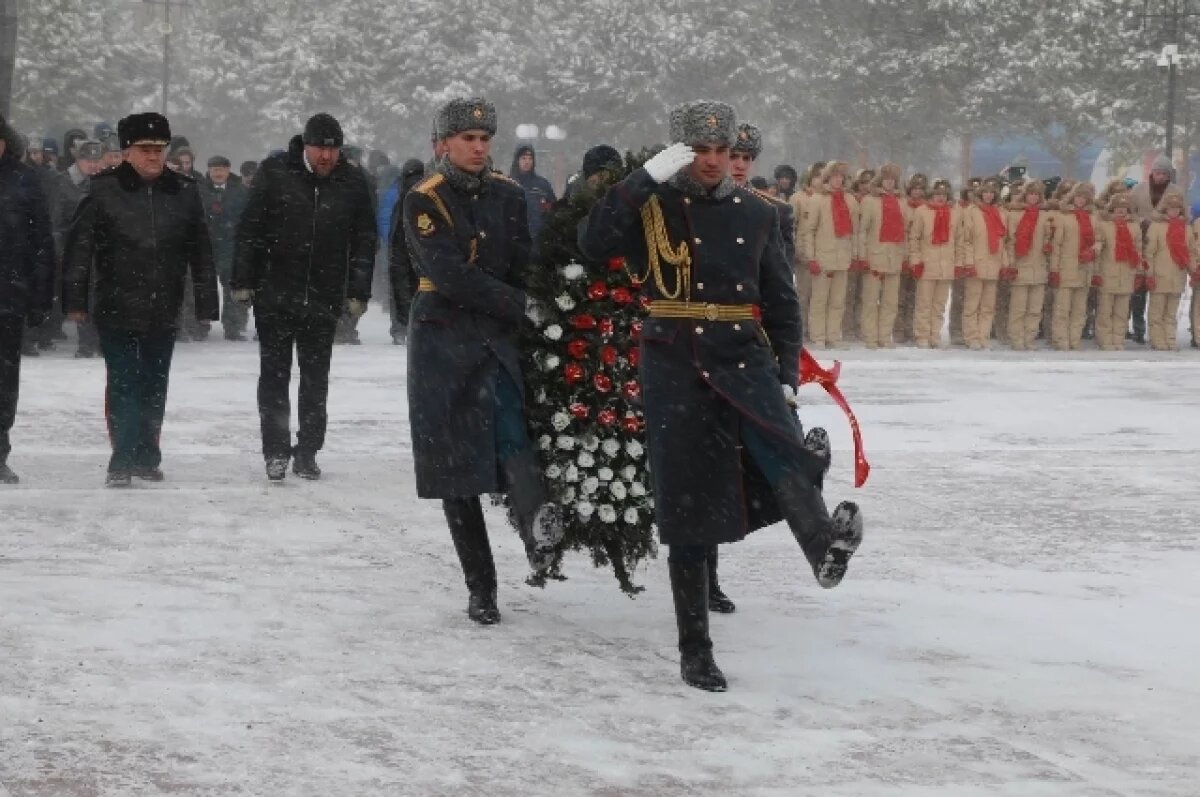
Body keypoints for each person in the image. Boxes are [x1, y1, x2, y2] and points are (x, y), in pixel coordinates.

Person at [580, 100, 863, 692]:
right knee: (688, 507)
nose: (714, 162)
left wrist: (787, 373)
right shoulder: (652, 204)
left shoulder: (758, 214)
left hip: (743, 353)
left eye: (722, 151)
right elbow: (592, 239)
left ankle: (823, 549)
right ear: (680, 152)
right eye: (701, 151)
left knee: (785, 453)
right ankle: (695, 648)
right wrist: (643, 178)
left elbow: (782, 303)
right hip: (674, 359)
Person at [403, 97, 564, 626]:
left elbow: (522, 260)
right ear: (442, 145)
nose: (478, 147)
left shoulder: (508, 195)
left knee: (511, 431)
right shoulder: (424, 199)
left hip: (494, 338)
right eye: (467, 139)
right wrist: (523, 304)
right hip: (442, 339)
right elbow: (450, 275)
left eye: (484, 139)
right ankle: (482, 588)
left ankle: (536, 527)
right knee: (457, 473)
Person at [63, 112, 218, 487]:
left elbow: (200, 250)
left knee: (154, 380)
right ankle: (123, 456)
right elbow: (80, 248)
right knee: (123, 380)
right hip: (116, 302)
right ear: (128, 151)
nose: (153, 156)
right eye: (145, 149)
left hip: (164, 304)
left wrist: (206, 303)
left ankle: (148, 454)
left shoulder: (182, 190)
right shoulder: (103, 189)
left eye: (159, 149)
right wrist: (75, 299)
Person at [232, 113, 375, 481]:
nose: (327, 157)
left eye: (333, 149)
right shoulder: (276, 172)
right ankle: (276, 449)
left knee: (315, 378)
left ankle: (308, 450)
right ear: (305, 145)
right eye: (320, 148)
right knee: (275, 376)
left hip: (323, 295)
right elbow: (251, 228)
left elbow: (364, 240)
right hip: (275, 292)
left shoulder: (353, 181)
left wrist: (358, 290)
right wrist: (243, 279)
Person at [0, 115, 56, 484]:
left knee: (4, 378)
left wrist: (40, 295)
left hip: (9, 294)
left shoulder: (24, 180)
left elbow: (41, 244)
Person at [49, 139, 105, 357]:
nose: (92, 165)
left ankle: (99, 341)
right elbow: (56, 221)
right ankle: (86, 342)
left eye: (96, 160)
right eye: (87, 160)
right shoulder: (63, 183)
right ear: (78, 160)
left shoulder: (105, 183)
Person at [802, 161, 859, 348]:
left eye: (840, 177)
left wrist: (854, 255)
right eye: (834, 176)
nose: (838, 180)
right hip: (822, 258)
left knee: (837, 301)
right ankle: (818, 336)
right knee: (819, 300)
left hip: (842, 258)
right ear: (827, 178)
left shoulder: (849, 200)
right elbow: (808, 230)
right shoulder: (817, 199)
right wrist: (811, 257)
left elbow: (855, 231)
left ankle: (833, 336)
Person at [907, 179, 964, 348]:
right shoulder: (922, 212)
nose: (940, 198)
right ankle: (922, 335)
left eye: (944, 195)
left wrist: (959, 263)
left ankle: (935, 334)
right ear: (932, 195)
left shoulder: (954, 213)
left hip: (947, 265)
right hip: (927, 263)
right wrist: (915, 260)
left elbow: (959, 240)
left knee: (939, 304)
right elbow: (914, 238)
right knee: (924, 303)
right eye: (937, 194)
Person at [856, 163, 908, 348]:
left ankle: (885, 336)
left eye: (893, 180)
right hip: (875, 256)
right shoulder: (870, 201)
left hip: (894, 256)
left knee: (890, 302)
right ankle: (870, 336)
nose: (889, 183)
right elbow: (862, 231)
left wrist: (905, 255)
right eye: (886, 179)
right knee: (870, 300)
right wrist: (862, 255)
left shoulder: (902, 201)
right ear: (880, 180)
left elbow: (905, 230)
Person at [1129, 155, 1177, 344]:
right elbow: (1129, 210)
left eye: (1164, 173)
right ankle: (1139, 330)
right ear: (1152, 172)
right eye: (1158, 172)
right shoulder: (1138, 189)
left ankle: (1160, 332)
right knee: (1139, 289)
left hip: (1165, 245)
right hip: (1140, 241)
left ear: (1169, 175)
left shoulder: (1175, 191)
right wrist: (1141, 221)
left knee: (1160, 289)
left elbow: (1181, 214)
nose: (1160, 176)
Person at [201, 155, 250, 340]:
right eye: (214, 170)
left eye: (221, 169)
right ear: (209, 171)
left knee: (232, 288)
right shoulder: (200, 190)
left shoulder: (240, 191)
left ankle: (232, 327)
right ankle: (201, 325)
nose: (218, 173)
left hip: (231, 247)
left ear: (229, 170)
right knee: (204, 286)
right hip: (207, 247)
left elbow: (245, 218)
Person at [1003, 180, 1052, 350]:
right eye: (1030, 194)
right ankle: (1016, 338)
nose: (1033, 197)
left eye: (1036, 195)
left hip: (1038, 267)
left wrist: (1048, 244)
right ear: (1025, 195)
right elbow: (1010, 241)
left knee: (1035, 309)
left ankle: (1029, 337)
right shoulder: (1015, 215)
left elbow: (1049, 237)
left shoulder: (1045, 216)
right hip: (1020, 265)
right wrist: (1010, 263)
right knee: (1018, 308)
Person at [959, 178, 1008, 350]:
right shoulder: (972, 212)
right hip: (977, 263)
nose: (988, 195)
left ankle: (983, 335)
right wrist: (968, 262)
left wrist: (1004, 264)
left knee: (988, 305)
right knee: (972, 303)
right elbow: (967, 240)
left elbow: (1004, 241)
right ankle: (971, 336)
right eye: (985, 192)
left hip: (993, 263)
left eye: (991, 192)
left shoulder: (1000, 213)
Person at [1048, 182, 1098, 351]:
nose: (1081, 200)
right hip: (1066, 268)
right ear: (1072, 198)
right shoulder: (1064, 218)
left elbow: (1099, 241)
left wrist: (1093, 251)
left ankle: (1074, 340)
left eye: (1084, 198)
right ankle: (1061, 340)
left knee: (1079, 310)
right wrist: (1054, 269)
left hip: (1085, 270)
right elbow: (1057, 246)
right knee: (1062, 309)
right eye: (1078, 197)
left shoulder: (1093, 218)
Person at [1093, 193, 1143, 351]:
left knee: (1122, 311)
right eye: (1118, 208)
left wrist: (1140, 271)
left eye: (1124, 208)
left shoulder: (1134, 227)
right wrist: (1095, 266)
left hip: (1127, 272)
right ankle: (1105, 339)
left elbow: (1138, 250)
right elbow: (1099, 244)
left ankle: (1118, 339)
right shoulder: (1105, 225)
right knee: (1105, 310)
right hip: (1109, 272)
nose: (1121, 211)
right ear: (1112, 208)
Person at [385, 158, 427, 344]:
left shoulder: (400, 195)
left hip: (402, 249)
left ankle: (401, 327)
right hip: (423, 252)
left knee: (400, 288)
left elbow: (391, 223)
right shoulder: (428, 193)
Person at [1143, 189, 1190, 351]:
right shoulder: (1156, 227)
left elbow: (1190, 252)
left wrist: (1193, 271)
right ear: (1165, 209)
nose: (1174, 212)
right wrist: (1149, 273)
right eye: (1171, 208)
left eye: (1177, 209)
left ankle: (1170, 338)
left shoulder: (1186, 228)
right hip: (1159, 275)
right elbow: (1149, 253)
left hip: (1178, 275)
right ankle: (1157, 339)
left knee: (1171, 313)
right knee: (1157, 311)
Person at [510, 143, 557, 244]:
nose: (527, 162)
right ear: (517, 160)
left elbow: (553, 210)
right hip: (514, 241)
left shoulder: (542, 185)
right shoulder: (508, 184)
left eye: (530, 158)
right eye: (523, 158)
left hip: (539, 240)